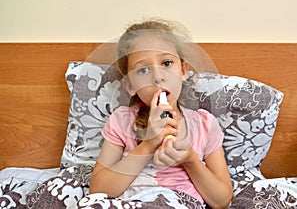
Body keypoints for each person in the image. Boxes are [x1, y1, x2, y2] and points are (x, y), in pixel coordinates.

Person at [89, 18, 233, 208]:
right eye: (143, 70)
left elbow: (222, 200)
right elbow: (98, 191)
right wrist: (147, 146)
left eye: (166, 63)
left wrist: (191, 161)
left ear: (183, 70)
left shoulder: (204, 124)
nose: (157, 77)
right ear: (130, 85)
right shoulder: (122, 121)